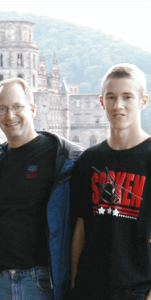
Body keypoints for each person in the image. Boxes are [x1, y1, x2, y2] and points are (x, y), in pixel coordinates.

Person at [0, 78, 83, 300]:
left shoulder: (64, 157)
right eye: (3, 109)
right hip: (1, 282)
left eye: (18, 107)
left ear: (33, 109)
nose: (10, 115)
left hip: (43, 282)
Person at [71, 63, 151, 300]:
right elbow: (80, 229)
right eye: (111, 97)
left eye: (127, 97)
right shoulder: (88, 161)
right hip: (89, 290)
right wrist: (76, 284)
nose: (118, 105)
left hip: (136, 290)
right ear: (101, 102)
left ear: (143, 101)